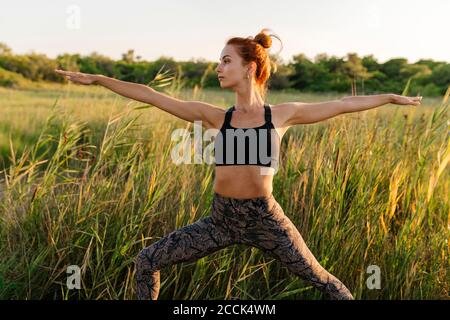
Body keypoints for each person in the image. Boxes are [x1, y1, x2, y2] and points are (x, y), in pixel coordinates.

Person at [55, 28, 422, 300]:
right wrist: (99, 79)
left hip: (266, 220)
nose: (218, 67)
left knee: (329, 285)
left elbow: (342, 104)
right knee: (146, 261)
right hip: (221, 220)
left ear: (249, 68)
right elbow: (151, 96)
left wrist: (390, 96)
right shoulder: (216, 117)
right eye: (219, 61)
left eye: (226, 60)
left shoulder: (282, 114)